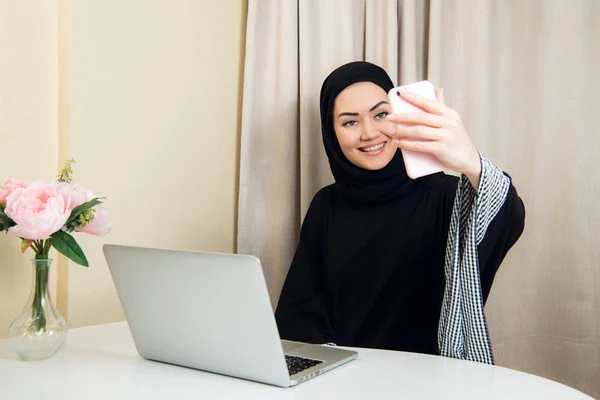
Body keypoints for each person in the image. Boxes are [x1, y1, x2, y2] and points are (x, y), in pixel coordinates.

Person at [274, 61, 525, 364]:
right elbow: (301, 312)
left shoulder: (446, 195)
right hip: (347, 380)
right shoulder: (326, 204)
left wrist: (471, 162)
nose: (369, 133)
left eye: (381, 114)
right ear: (332, 133)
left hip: (431, 380)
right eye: (350, 122)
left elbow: (509, 217)